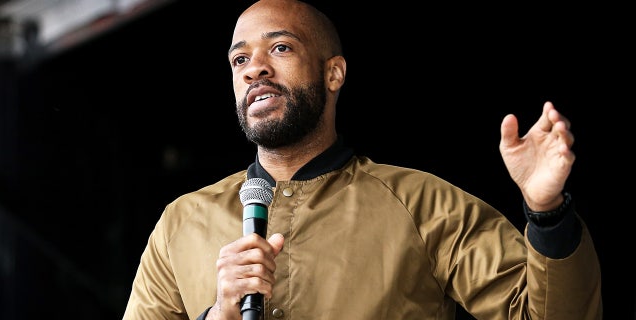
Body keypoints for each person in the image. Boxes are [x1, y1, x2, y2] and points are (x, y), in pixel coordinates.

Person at [122, 0, 603, 319]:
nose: (256, 70)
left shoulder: (423, 204)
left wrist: (547, 212)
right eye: (239, 60)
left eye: (281, 47)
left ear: (334, 74)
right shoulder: (181, 222)